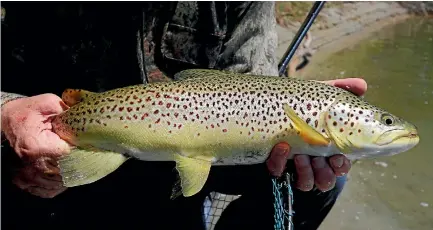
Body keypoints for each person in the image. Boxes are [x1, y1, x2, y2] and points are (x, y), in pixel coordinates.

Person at [1, 2, 365, 230]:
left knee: (323, 183)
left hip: (172, 190)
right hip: (31, 167)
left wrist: (293, 104)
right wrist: (5, 112)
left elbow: (249, 80)